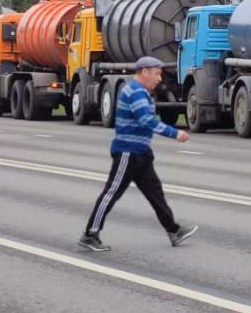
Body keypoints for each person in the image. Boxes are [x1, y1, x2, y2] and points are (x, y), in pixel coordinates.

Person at [79, 56, 198, 252]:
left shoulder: (141, 91)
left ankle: (173, 230)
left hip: (141, 153)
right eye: (157, 74)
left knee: (155, 194)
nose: (159, 79)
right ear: (145, 72)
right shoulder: (134, 91)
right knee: (111, 193)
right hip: (128, 152)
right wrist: (175, 133)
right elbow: (147, 121)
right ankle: (90, 235)